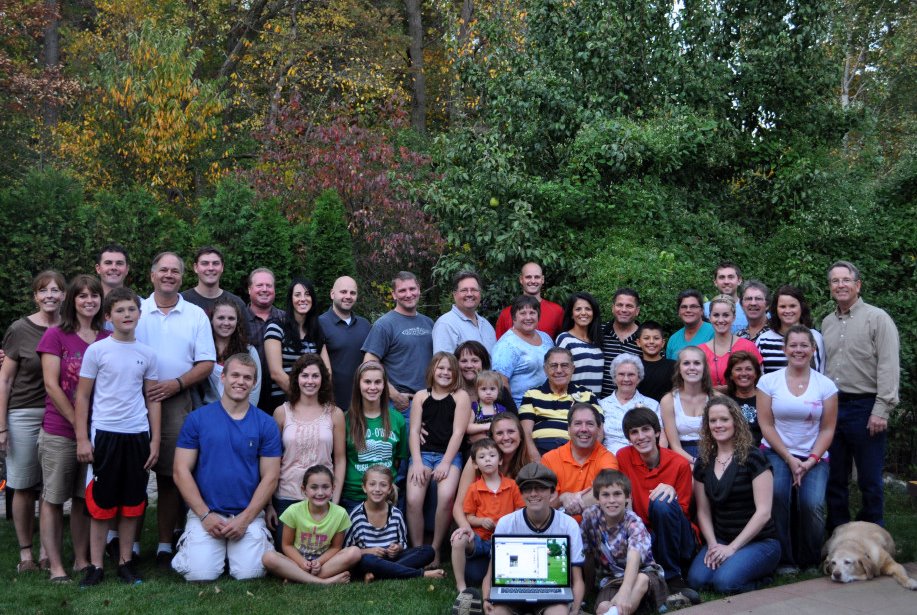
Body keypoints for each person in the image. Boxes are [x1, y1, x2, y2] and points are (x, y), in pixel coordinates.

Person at [74, 288, 161, 587]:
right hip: (105, 435)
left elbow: (153, 400)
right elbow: (83, 397)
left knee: (132, 502)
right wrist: (83, 439)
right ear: (108, 316)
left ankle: (125, 561)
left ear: (139, 314)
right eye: (120, 310)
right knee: (101, 503)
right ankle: (96, 565)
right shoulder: (97, 351)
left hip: (137, 434)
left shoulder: (148, 354)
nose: (127, 315)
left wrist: (156, 440)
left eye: (132, 310)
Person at [135, 251, 216, 567]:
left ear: (183, 277)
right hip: (132, 401)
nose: (169, 275)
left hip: (175, 400)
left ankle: (165, 544)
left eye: (175, 271)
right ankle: (125, 542)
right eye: (163, 270)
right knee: (132, 475)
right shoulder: (135, 310)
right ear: (152, 274)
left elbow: (207, 362)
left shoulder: (195, 314)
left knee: (169, 475)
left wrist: (177, 383)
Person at [171, 353, 280, 581]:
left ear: (254, 383)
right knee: (200, 574)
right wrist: (205, 515)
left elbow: (270, 476)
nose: (240, 382)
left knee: (250, 573)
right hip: (208, 512)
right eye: (235, 375)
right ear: (223, 377)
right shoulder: (197, 419)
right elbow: (180, 471)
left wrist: (245, 518)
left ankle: (238, 551)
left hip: (247, 513)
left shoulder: (266, 423)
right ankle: (196, 546)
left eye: (247, 378)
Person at [36, 274, 110, 581]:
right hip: (59, 430)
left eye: (94, 296)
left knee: (83, 498)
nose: (89, 301)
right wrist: (78, 425)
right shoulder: (55, 336)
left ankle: (81, 560)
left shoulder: (108, 338)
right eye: (82, 296)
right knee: (53, 499)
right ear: (72, 301)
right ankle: (55, 566)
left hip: (97, 432)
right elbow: (52, 386)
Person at [822, 261, 899, 531]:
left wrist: (882, 409)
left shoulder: (877, 318)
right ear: (830, 287)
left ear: (858, 284)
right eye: (835, 281)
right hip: (833, 408)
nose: (840, 285)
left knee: (869, 479)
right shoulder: (827, 322)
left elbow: (888, 365)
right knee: (836, 479)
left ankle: (873, 536)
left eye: (846, 280)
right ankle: (839, 538)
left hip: (866, 407)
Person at [757, 325, 838, 572]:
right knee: (779, 496)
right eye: (793, 345)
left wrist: (810, 460)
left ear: (813, 349)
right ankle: (784, 559)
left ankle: (810, 559)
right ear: (784, 349)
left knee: (812, 503)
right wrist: (789, 459)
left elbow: (827, 429)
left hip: (814, 455)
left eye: (804, 345)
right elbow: (766, 424)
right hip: (776, 451)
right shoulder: (768, 381)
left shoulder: (826, 386)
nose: (798, 350)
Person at [0, 270, 65, 574]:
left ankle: (45, 550)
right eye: (44, 291)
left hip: (59, 412)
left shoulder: (70, 327)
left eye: (56, 290)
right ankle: (26, 552)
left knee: (50, 486)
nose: (50, 295)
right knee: (23, 484)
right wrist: (1, 426)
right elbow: (5, 380)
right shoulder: (19, 329)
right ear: (35, 296)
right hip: (24, 412)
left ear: (64, 295)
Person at [687, 397, 779, 594]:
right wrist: (713, 545)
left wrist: (732, 549)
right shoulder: (703, 462)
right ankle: (730, 563)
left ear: (735, 422)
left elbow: (764, 512)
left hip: (759, 541)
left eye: (724, 419)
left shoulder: (753, 457)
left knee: (725, 583)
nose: (718, 425)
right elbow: (703, 512)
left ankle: (764, 577)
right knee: (697, 581)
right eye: (713, 421)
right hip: (721, 539)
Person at [616, 407, 698, 605]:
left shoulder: (679, 463)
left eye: (646, 430)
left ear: (657, 432)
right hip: (644, 534)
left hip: (678, 536)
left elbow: (683, 513)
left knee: (662, 502)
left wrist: (672, 492)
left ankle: (672, 576)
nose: (641, 436)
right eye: (634, 432)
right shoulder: (623, 457)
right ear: (628, 437)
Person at [480, 463, 586, 615]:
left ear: (553, 492)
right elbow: (490, 574)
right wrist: (485, 599)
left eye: (541, 488)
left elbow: (577, 579)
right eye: (528, 489)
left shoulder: (568, 524)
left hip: (552, 595)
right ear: (521, 493)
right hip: (512, 592)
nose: (533, 494)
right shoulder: (506, 522)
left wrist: (575, 609)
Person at [451, 413, 536, 593]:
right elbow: (460, 507)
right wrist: (466, 527)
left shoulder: (526, 465)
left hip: (509, 538)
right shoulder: (478, 462)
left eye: (511, 431)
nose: (506, 437)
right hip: (480, 535)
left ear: (520, 435)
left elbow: (527, 512)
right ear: (492, 437)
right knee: (474, 576)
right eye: (499, 433)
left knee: (493, 574)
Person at [268, 354, 346, 546]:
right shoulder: (281, 412)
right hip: (287, 496)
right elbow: (271, 461)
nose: (310, 381)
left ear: (323, 380)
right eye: (304, 376)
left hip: (323, 496)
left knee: (321, 551)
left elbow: (340, 459)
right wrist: (268, 503)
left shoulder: (334, 413)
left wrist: (334, 499)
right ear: (296, 379)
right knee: (286, 549)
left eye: (315, 376)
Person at [407, 352, 471, 566]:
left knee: (445, 498)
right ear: (432, 370)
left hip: (449, 457)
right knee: (414, 498)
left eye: (450, 369)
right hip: (422, 455)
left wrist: (445, 462)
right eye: (440, 368)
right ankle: (418, 550)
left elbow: (458, 433)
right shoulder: (420, 396)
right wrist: (416, 462)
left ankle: (435, 548)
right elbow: (414, 431)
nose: (445, 372)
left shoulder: (460, 396)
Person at [581, 469, 669, 615]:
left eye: (617, 494)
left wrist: (624, 592)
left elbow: (634, 557)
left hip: (645, 574)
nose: (611, 500)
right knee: (603, 607)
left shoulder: (633, 522)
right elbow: (588, 555)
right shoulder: (591, 517)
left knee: (640, 580)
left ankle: (620, 610)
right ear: (597, 498)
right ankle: (634, 608)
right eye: (605, 495)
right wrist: (587, 590)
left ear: (627, 497)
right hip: (613, 580)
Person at [261, 465, 360, 584]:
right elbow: (287, 545)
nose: (320, 492)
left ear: (333, 488)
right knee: (268, 557)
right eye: (314, 487)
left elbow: (336, 547)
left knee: (354, 552)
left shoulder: (340, 513)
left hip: (325, 564)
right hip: (297, 562)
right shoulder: (293, 511)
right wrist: (302, 563)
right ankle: (324, 582)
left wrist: (319, 562)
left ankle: (296, 578)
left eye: (325, 487)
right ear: (304, 489)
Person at [344, 464, 443, 582]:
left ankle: (377, 575)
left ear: (390, 488)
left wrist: (397, 548)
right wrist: (368, 551)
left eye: (383, 485)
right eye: (372, 484)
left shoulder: (396, 514)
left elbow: (403, 544)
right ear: (364, 487)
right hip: (370, 561)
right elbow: (346, 551)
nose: (377, 489)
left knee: (428, 551)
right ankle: (420, 574)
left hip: (393, 559)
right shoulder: (356, 516)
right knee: (367, 561)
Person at [362, 271, 434, 415]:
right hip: (401, 405)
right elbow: (368, 364)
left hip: (429, 401)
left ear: (419, 289)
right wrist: (394, 394)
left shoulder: (429, 323)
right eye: (402, 290)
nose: (408, 294)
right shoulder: (384, 325)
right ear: (394, 294)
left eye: (412, 289)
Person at [341, 361, 408, 512]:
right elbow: (340, 458)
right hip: (354, 495)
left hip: (387, 496)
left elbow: (398, 459)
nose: (372, 387)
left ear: (384, 385)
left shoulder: (397, 419)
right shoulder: (345, 419)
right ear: (358, 384)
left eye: (378, 382)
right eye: (367, 382)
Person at [540, 402, 618, 522]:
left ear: (599, 429)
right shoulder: (550, 459)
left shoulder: (607, 458)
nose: (584, 429)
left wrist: (571, 501)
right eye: (577, 424)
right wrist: (563, 498)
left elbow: (608, 490)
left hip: (596, 528)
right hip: (559, 529)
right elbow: (543, 503)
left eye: (590, 424)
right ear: (568, 429)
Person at [518, 347, 599, 458]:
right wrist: (534, 457)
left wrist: (588, 457)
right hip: (541, 449)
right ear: (545, 370)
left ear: (573, 369)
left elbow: (598, 430)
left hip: (576, 451)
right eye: (554, 366)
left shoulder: (587, 395)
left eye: (564, 365)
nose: (559, 370)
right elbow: (525, 432)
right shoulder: (531, 394)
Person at [264, 277, 331, 408]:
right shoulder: (276, 328)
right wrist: (302, 399)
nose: (303, 299)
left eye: (307, 294)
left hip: (313, 403)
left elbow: (327, 372)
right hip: (283, 402)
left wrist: (316, 399)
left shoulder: (316, 331)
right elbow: (276, 372)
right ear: (291, 299)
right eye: (297, 295)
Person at [318, 276, 371, 412]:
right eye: (343, 292)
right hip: (331, 406)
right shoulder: (319, 324)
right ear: (332, 294)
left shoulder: (365, 325)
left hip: (363, 405)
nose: (348, 296)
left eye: (352, 293)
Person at [491, 295, 555, 408]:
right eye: (523, 313)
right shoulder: (506, 345)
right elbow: (501, 384)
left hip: (549, 406)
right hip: (522, 409)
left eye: (532, 313)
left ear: (538, 316)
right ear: (514, 317)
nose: (528, 317)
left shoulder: (545, 338)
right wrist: (513, 415)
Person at [660, 346, 715, 465]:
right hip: (681, 458)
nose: (692, 367)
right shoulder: (668, 401)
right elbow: (674, 446)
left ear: (704, 367)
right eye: (686, 363)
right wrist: (696, 464)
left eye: (697, 363)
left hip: (714, 456)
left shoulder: (716, 398)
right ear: (679, 369)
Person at [599, 354, 663, 454]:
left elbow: (660, 436)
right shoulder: (602, 405)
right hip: (609, 460)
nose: (626, 379)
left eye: (631, 375)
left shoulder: (652, 405)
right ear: (614, 378)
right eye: (621, 374)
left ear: (639, 378)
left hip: (642, 458)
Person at [204, 295, 261, 406]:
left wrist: (244, 415)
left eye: (231, 318)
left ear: (237, 322)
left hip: (241, 415)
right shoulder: (202, 350)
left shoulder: (249, 351)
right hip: (208, 415)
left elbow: (255, 389)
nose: (226, 323)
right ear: (211, 320)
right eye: (221, 318)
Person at [755, 285, 825, 374]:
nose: (787, 311)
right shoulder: (763, 341)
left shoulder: (814, 337)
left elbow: (819, 374)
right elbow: (758, 378)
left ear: (801, 307)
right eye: (783, 306)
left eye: (792, 306)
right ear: (776, 309)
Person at [244, 267, 285, 412]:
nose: (265, 289)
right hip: (247, 395)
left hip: (281, 396)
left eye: (269, 285)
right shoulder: (239, 321)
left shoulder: (286, 320)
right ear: (250, 289)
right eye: (259, 285)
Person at [700, 295, 763, 388]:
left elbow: (759, 381)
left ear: (733, 317)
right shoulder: (700, 351)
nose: (720, 320)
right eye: (716, 315)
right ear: (709, 317)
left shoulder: (748, 347)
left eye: (726, 315)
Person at [494, 263, 564, 340]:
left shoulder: (557, 311)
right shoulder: (506, 313)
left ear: (542, 279)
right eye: (528, 277)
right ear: (521, 279)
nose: (533, 281)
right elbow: (499, 345)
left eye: (537, 277)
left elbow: (563, 342)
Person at [432, 270, 496, 354]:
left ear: (480, 293)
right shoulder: (446, 324)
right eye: (464, 290)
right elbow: (443, 364)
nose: (469, 294)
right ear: (454, 295)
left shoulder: (487, 325)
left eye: (474, 290)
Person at [181, 246, 248, 326]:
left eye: (215, 263)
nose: (211, 268)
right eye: (205, 263)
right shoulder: (182, 301)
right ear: (196, 267)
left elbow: (244, 336)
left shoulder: (237, 303)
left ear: (222, 267)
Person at [555, 291, 604, 395]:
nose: (583, 313)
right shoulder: (565, 339)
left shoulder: (597, 340)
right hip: (572, 404)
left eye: (588, 309)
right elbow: (557, 375)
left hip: (595, 404)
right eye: (578, 309)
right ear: (572, 315)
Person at [600, 288, 642, 397]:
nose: (624, 310)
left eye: (629, 306)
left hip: (634, 407)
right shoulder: (598, 332)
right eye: (619, 305)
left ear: (637, 311)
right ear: (613, 308)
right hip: (600, 404)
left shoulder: (646, 338)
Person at [455, 340, 518, 414]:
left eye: (475, 361)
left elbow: (513, 419)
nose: (469, 365)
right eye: (464, 361)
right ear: (456, 364)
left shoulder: (498, 390)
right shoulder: (452, 392)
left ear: (483, 363)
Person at [725, 351, 763, 447]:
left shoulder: (766, 399)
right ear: (731, 375)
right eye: (738, 369)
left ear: (756, 374)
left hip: (763, 453)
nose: (744, 373)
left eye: (749, 369)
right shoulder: (724, 402)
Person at [665, 290, 714, 360]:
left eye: (693, 306)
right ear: (679, 312)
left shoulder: (713, 332)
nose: (688, 310)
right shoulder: (673, 339)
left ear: (702, 310)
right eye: (684, 307)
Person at [465, 370, 510, 445]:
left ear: (498, 391)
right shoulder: (475, 408)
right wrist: (487, 426)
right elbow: (468, 428)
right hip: (477, 446)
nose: (488, 392)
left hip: (496, 445)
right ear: (477, 391)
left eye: (492, 389)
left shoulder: (501, 409)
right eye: (484, 389)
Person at [635, 321, 675, 403]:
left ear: (663, 343)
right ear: (638, 342)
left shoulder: (673, 366)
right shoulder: (633, 366)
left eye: (656, 338)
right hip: (638, 413)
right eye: (646, 338)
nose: (651, 342)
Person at [702, 262, 747, 333]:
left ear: (739, 280)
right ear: (715, 282)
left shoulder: (748, 308)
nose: (726, 281)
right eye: (722, 277)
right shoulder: (704, 309)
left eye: (731, 277)